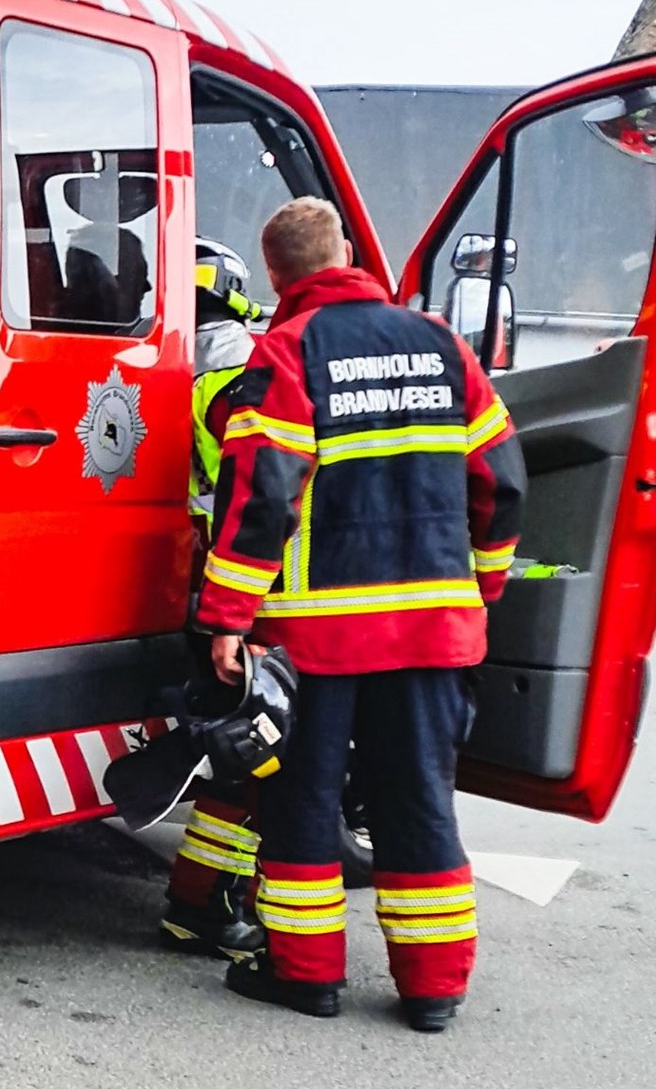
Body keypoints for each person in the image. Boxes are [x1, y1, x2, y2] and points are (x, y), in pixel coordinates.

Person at [196, 196, 526, 1032]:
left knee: (303, 799)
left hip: (318, 637)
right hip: (431, 630)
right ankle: (434, 989)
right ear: (346, 251)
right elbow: (504, 480)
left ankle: (306, 975)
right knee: (417, 799)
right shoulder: (443, 343)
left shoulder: (290, 349)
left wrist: (228, 618)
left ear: (275, 274)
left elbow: (262, 491)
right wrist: (478, 591)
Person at [161, 239, 266, 960]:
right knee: (256, 758)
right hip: (245, 587)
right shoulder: (241, 367)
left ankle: (200, 900)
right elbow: (263, 489)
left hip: (201, 575)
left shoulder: (174, 361)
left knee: (236, 753)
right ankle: (204, 903)